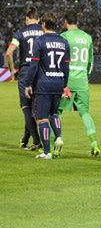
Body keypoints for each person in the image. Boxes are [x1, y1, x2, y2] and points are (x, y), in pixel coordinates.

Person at [22, 12, 70, 160]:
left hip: (43, 84)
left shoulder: (40, 41)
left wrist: (28, 84)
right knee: (53, 114)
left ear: (43, 24)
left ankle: (47, 152)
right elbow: (66, 67)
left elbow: (34, 65)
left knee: (42, 119)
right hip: (58, 82)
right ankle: (59, 137)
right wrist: (64, 85)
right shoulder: (64, 42)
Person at [56, 10, 100, 156]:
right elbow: (90, 62)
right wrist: (85, 76)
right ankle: (94, 144)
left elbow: (59, 60)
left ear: (65, 22)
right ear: (77, 22)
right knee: (85, 113)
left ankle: (53, 144)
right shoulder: (87, 38)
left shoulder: (64, 36)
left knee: (58, 112)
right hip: (82, 81)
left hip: (67, 82)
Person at [5, 6, 44, 151]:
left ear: (27, 19)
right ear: (39, 19)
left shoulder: (21, 32)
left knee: (26, 107)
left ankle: (37, 141)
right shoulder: (43, 30)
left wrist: (11, 71)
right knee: (36, 106)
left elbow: (9, 53)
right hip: (40, 72)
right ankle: (26, 138)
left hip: (26, 71)